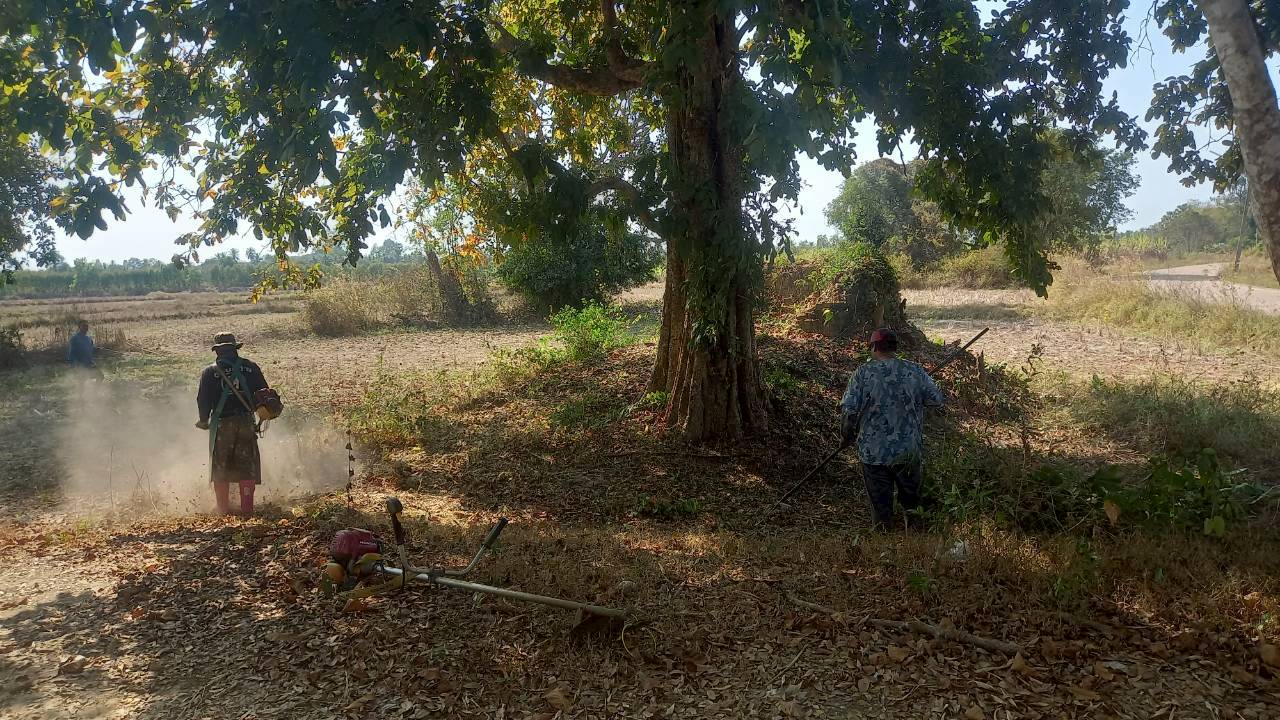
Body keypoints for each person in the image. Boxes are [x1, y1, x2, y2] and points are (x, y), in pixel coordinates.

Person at [840, 328, 945, 530]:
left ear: (873, 347)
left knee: (880, 509)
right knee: (912, 506)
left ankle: (883, 545)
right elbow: (936, 400)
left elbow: (849, 412)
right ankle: (914, 546)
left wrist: (846, 436)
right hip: (908, 452)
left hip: (873, 454)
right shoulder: (914, 371)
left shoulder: (863, 374)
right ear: (894, 347)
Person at [196, 332, 269, 516]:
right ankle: (247, 510)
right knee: (247, 466)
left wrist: (204, 420)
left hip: (222, 424)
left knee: (220, 466)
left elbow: (202, 400)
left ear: (217, 350)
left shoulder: (209, 372)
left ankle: (222, 510)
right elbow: (264, 395)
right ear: (235, 348)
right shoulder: (251, 367)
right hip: (246, 421)